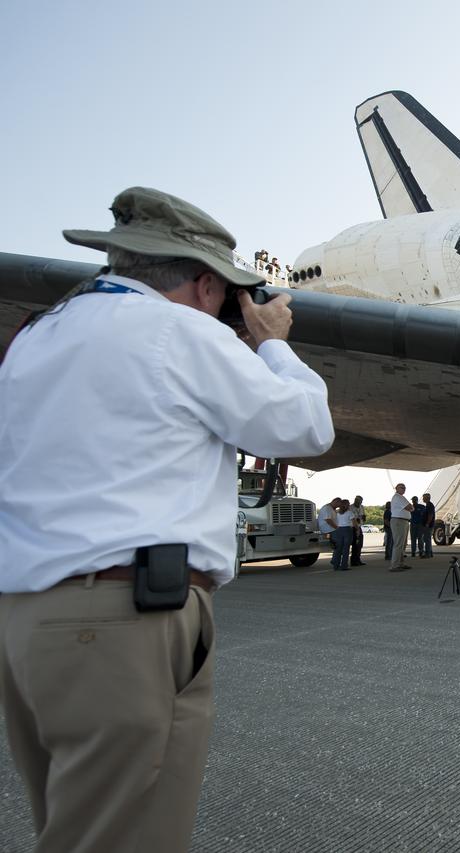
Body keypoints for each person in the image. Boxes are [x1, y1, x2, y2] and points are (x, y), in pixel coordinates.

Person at [0, 186, 334, 852]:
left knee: (76, 831)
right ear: (205, 281)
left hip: (26, 620)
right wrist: (269, 343)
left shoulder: (34, 339)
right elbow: (307, 424)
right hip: (125, 625)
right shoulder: (177, 331)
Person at [388, 484, 413, 571]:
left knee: (402, 544)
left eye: (404, 488)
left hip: (403, 521)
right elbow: (410, 507)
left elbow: (410, 508)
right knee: (399, 544)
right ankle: (394, 565)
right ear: (396, 489)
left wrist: (410, 507)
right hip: (399, 521)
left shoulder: (401, 497)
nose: (404, 489)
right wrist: (410, 507)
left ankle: (400, 563)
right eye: (402, 487)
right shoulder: (398, 497)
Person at [331, 499, 354, 571]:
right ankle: (344, 565)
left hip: (338, 530)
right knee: (346, 549)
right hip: (347, 530)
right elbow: (354, 522)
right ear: (346, 505)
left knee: (338, 548)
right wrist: (357, 529)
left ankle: (336, 565)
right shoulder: (349, 513)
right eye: (348, 503)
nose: (349, 505)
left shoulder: (337, 512)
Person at [317, 496, 339, 565]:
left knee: (337, 544)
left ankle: (335, 560)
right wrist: (337, 528)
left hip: (332, 529)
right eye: (338, 505)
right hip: (329, 529)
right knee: (338, 544)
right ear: (335, 502)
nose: (338, 507)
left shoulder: (332, 508)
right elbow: (328, 520)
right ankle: (335, 561)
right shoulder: (327, 508)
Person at [350, 495, 367, 565]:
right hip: (353, 527)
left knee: (360, 544)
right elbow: (351, 518)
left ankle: (358, 559)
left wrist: (363, 517)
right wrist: (357, 518)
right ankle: (353, 561)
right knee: (355, 544)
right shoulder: (350, 507)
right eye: (357, 500)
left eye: (360, 501)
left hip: (359, 527)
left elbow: (363, 515)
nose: (358, 502)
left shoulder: (362, 507)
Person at [420, 493, 435, 558]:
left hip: (428, 525)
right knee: (427, 539)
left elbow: (430, 515)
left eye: (423, 497)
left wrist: (427, 523)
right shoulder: (427, 505)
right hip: (427, 524)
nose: (423, 499)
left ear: (427, 498)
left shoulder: (430, 505)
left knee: (427, 539)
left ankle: (427, 554)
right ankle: (430, 553)